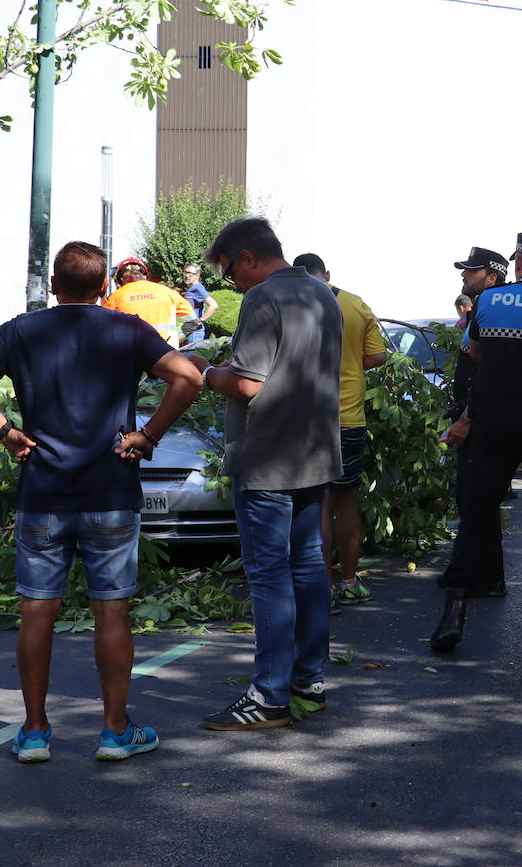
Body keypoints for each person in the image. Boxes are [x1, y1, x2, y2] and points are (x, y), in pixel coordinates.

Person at [0, 241, 202, 763]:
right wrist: (147, 436)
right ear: (106, 288)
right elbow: (188, 377)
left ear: (53, 287)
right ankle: (113, 731)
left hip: (43, 493)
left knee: (36, 611)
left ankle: (35, 731)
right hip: (110, 490)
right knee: (112, 612)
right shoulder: (127, 329)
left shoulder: (22, 329)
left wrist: (6, 431)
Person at [192, 218, 342, 730]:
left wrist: (203, 372)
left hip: (268, 459)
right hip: (314, 452)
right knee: (308, 566)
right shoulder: (322, 294)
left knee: (269, 575)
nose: (231, 282)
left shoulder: (262, 299)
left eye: (231, 270)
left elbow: (248, 384)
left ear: (249, 257)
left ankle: (269, 695)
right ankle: (308, 680)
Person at [430, 233, 522, 652]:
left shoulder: (488, 304)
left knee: (477, 514)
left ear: (516, 265)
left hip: (492, 420)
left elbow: (475, 354)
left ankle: (452, 615)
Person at [292, 252, 388, 612]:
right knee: (346, 503)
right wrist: (347, 362)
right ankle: (349, 581)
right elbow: (378, 356)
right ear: (327, 274)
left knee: (316, 505)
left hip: (307, 419)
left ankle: (322, 588)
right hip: (348, 417)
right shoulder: (354, 303)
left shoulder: (294, 303)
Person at [437, 246, 509, 599]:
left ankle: (469, 576)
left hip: (480, 415)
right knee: (478, 499)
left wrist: (466, 417)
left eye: (471, 271)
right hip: (478, 411)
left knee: (474, 497)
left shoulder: (493, 310)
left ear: (491, 276)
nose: (464, 276)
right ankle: (489, 577)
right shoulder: (485, 307)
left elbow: (486, 370)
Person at [102, 256, 196, 347]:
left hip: (131, 356)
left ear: (120, 279)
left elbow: (102, 330)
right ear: (145, 276)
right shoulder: (168, 291)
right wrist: (175, 339)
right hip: (166, 354)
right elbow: (193, 322)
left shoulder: (114, 298)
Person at [181, 263, 219, 345]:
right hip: (188, 331)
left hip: (194, 333)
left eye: (190, 273)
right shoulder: (191, 289)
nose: (187, 275)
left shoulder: (198, 288)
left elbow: (214, 305)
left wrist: (200, 320)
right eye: (185, 272)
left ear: (197, 275)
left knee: (190, 357)